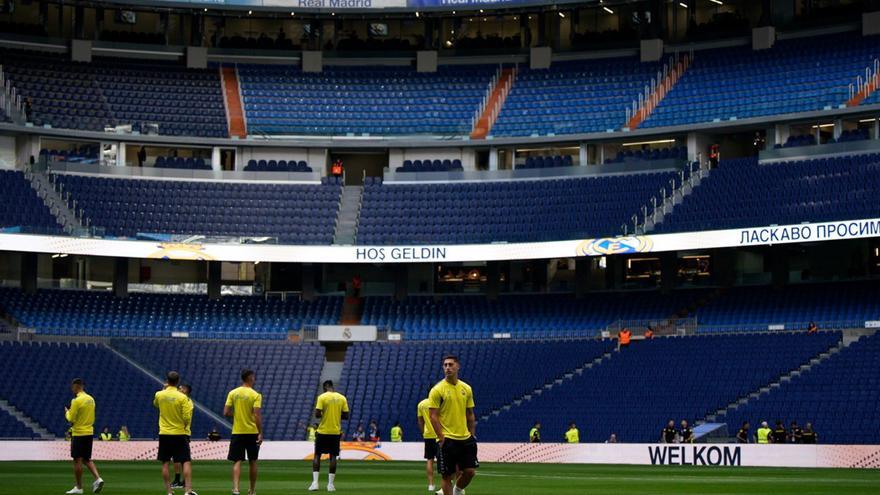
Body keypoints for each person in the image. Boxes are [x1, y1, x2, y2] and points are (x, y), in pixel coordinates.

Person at [429, 354, 478, 495]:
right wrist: (441, 437)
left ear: (458, 366)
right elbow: (433, 416)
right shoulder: (437, 390)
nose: (447, 368)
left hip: (465, 438)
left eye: (451, 365)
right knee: (447, 475)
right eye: (445, 365)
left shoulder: (466, 388)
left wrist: (472, 435)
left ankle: (457, 490)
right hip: (448, 439)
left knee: (470, 472)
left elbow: (470, 413)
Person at [153, 371, 195, 495]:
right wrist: (185, 426)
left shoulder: (159, 394)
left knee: (165, 462)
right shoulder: (182, 397)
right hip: (179, 432)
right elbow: (187, 417)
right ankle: (188, 490)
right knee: (185, 461)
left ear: (167, 380)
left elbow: (156, 404)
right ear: (177, 382)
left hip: (164, 433)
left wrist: (163, 389)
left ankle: (169, 492)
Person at [224, 369, 263, 495]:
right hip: (251, 432)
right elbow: (257, 416)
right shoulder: (256, 395)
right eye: (254, 377)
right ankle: (252, 490)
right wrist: (260, 432)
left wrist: (237, 415)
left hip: (238, 432)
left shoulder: (233, 393)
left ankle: (235, 488)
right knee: (253, 461)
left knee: (237, 461)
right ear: (250, 377)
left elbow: (225, 412)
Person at [65, 378, 105, 495]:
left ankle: (79, 487)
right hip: (89, 432)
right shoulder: (91, 399)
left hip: (79, 432)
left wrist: (66, 412)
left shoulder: (76, 401)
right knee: (87, 459)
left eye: (72, 386)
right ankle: (98, 478)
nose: (72, 389)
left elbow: (71, 418)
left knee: (77, 460)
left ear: (77, 386)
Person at [310, 380, 349, 492]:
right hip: (335, 432)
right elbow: (346, 416)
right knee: (333, 456)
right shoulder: (342, 398)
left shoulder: (322, 397)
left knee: (317, 455)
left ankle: (315, 483)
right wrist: (336, 414)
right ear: (332, 387)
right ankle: (330, 485)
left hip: (323, 431)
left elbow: (317, 414)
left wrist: (324, 413)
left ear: (325, 387)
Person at [172, 384, 194, 489]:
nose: (179, 389)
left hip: (182, 433)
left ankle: (182, 481)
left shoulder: (187, 402)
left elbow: (186, 418)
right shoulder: (182, 401)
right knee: (178, 458)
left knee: (182, 459)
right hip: (180, 432)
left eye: (181, 388)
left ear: (186, 391)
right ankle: (179, 480)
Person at [417, 391, 439, 492]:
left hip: (428, 435)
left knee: (430, 460)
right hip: (439, 435)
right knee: (444, 460)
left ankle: (431, 484)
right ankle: (448, 482)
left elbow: (420, 421)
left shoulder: (421, 404)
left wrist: (423, 433)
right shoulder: (438, 402)